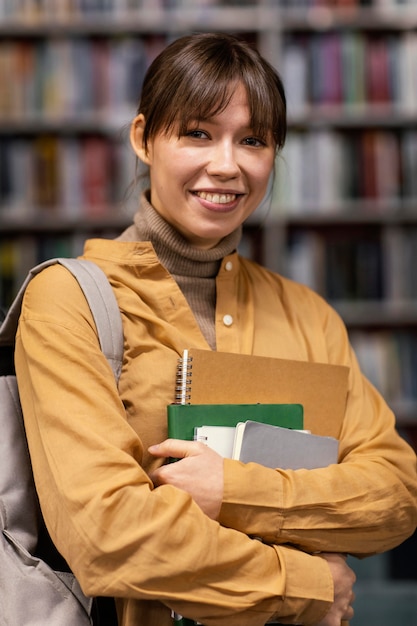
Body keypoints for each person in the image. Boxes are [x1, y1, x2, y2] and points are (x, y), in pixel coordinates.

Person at [15, 33, 417, 626]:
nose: (226, 165)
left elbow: (394, 497)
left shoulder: (309, 314)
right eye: (198, 133)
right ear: (143, 138)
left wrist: (232, 489)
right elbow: (107, 533)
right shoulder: (68, 300)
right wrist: (305, 582)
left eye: (252, 140)